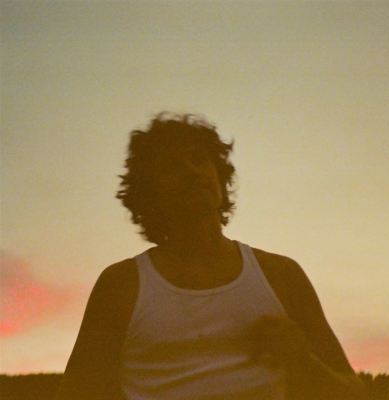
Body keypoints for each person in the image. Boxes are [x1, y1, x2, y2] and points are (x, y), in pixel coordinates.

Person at [56, 113, 366, 400]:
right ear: (150, 191)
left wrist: (303, 361)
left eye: (198, 159)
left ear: (219, 175)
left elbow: (354, 394)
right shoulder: (121, 285)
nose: (192, 172)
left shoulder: (281, 275)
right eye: (173, 167)